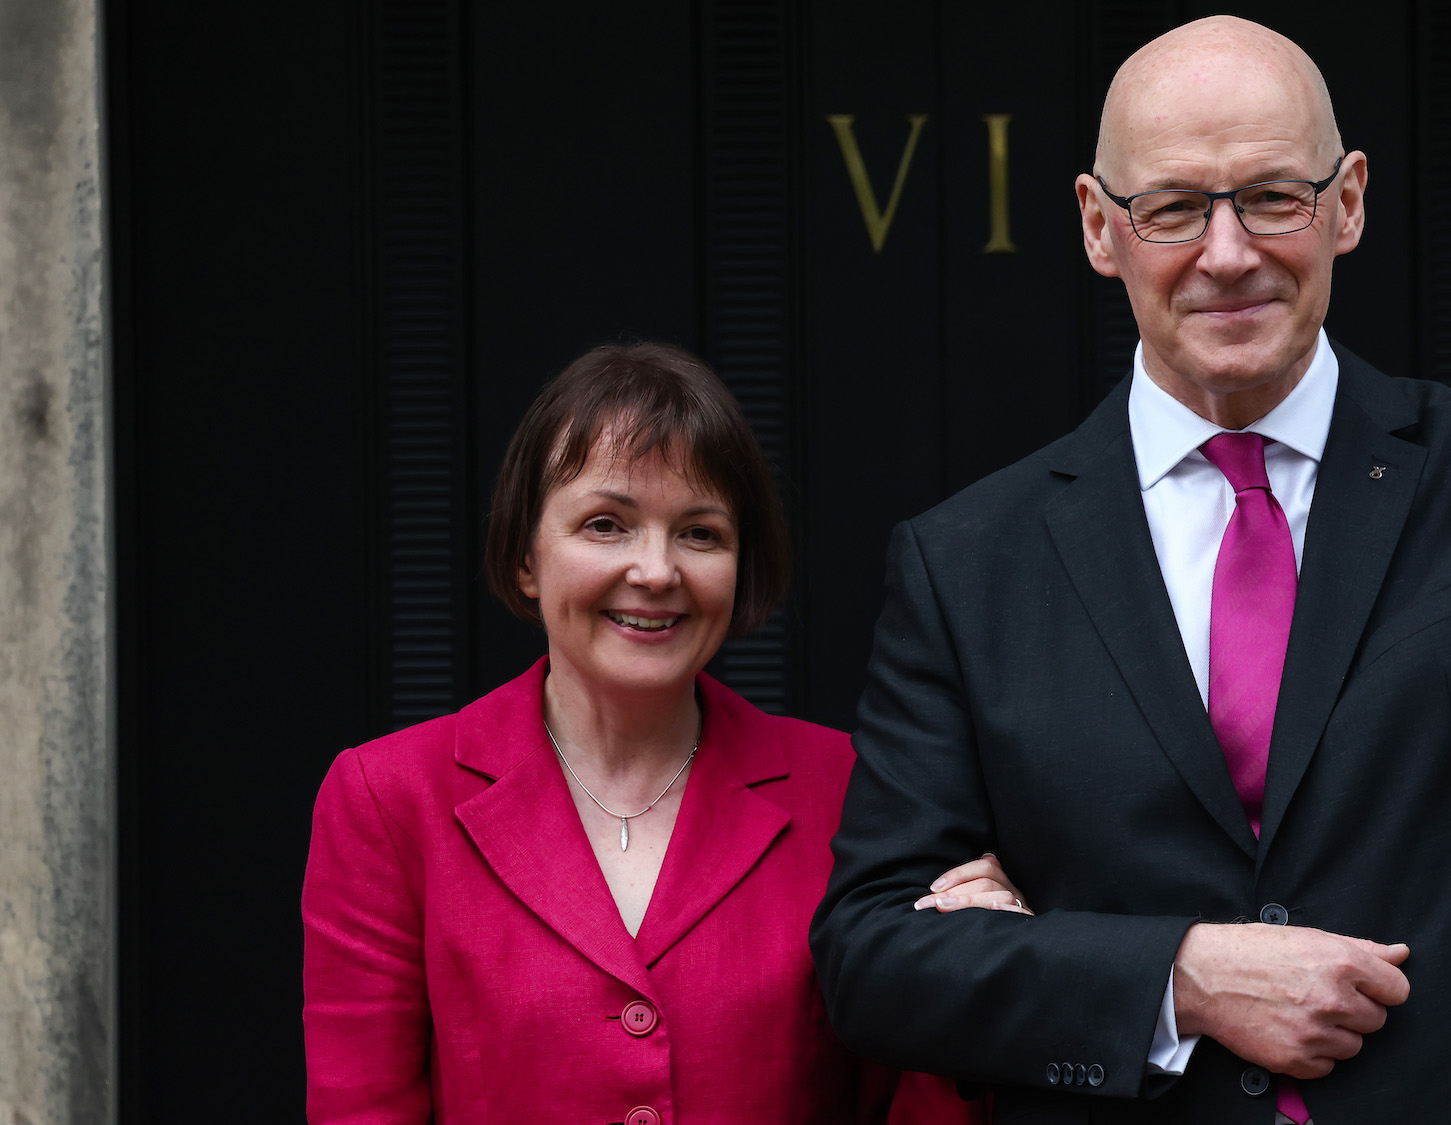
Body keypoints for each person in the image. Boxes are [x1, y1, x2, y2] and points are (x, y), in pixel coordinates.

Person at [812, 16, 1451, 1125]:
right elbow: (874, 956)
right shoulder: (967, 563)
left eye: (1274, 197)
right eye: (1175, 208)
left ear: (1348, 203)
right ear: (1100, 227)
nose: (1228, 254)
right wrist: (1175, 978)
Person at [302, 343, 991, 1124]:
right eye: (606, 524)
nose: (657, 570)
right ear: (527, 557)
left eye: (700, 533)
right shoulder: (390, 798)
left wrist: (972, 977)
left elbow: (911, 1095)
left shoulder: (849, 787)